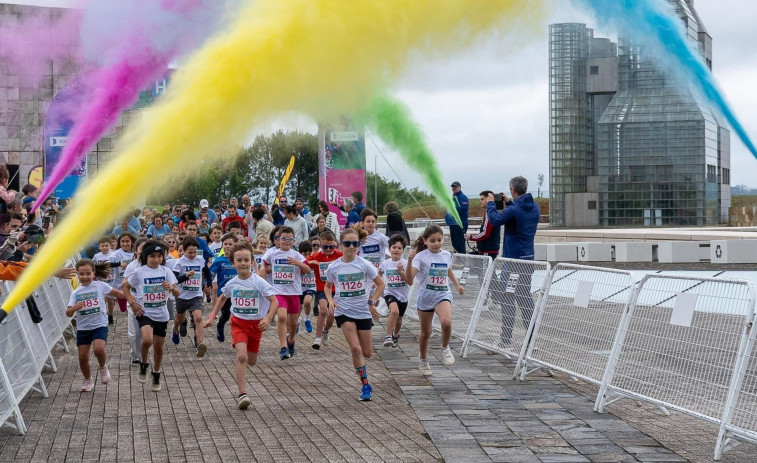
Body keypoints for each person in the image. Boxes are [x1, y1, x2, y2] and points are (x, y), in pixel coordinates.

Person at [203, 241, 278, 409]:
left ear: (252, 261)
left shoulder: (259, 282)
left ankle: (244, 355)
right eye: (239, 260)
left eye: (246, 260)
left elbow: (274, 301)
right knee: (241, 356)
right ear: (233, 262)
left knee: (251, 361)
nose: (243, 263)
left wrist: (268, 318)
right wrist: (212, 317)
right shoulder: (232, 283)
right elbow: (222, 298)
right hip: (238, 324)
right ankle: (242, 394)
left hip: (256, 325)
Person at [324, 228, 384, 401]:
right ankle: (365, 385)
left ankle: (362, 374)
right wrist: (330, 301)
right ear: (341, 245)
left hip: (363, 312)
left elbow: (380, 285)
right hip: (344, 312)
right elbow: (327, 287)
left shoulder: (364, 264)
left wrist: (372, 301)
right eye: (348, 244)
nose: (352, 247)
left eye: (355, 244)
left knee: (367, 353)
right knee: (355, 348)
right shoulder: (334, 266)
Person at [485, 176, 540, 346]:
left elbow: (495, 220)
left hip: (513, 260)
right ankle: (530, 341)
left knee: (507, 298)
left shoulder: (515, 209)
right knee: (525, 299)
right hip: (528, 259)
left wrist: (490, 204)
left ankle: (505, 339)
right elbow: (517, 216)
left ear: (513, 190)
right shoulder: (535, 207)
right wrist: (509, 203)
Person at [406, 225, 464, 376]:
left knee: (447, 322)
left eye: (439, 240)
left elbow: (447, 269)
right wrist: (409, 262)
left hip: (442, 294)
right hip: (425, 297)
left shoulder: (446, 254)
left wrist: (456, 284)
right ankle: (423, 359)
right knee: (426, 332)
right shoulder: (420, 257)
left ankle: (445, 347)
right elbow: (410, 280)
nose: (437, 243)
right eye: (432, 241)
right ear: (425, 241)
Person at [124, 241, 179, 392]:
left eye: (159, 256)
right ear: (145, 257)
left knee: (159, 347)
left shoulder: (166, 271)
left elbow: (177, 293)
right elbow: (125, 287)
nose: (156, 259)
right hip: (144, 312)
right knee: (147, 340)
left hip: (161, 314)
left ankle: (156, 373)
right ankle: (143, 364)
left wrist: (172, 287)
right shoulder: (139, 272)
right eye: (152, 256)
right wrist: (133, 303)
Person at [66, 259, 125, 392]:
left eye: (88, 274)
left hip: (99, 325)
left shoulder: (100, 285)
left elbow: (116, 293)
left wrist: (130, 296)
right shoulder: (76, 292)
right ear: (77, 274)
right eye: (81, 274)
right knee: (82, 357)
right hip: (83, 328)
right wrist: (75, 307)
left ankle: (103, 367)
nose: (85, 277)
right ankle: (88, 380)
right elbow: (68, 313)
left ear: (93, 273)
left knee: (98, 349)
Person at [259, 226, 311, 360]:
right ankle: (283, 347)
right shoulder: (272, 253)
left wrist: (297, 263)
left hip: (294, 292)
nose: (286, 241)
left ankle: (291, 340)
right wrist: (263, 272)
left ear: (294, 241)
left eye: (290, 239)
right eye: (284, 239)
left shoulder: (296, 255)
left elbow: (308, 270)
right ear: (278, 240)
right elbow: (263, 264)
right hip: (279, 291)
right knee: (282, 317)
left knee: (293, 324)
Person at [170, 237, 209, 357]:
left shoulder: (200, 260)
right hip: (182, 296)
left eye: (194, 252)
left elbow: (206, 271)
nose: (192, 255)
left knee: (198, 318)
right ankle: (175, 330)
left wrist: (208, 283)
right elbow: (175, 279)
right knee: (180, 318)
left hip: (196, 295)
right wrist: (186, 276)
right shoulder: (180, 262)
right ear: (184, 251)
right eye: (190, 252)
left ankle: (199, 343)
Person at [306, 230, 342, 350]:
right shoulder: (316, 256)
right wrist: (312, 262)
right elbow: (304, 263)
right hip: (321, 288)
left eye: (331, 246)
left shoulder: (338, 255)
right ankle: (317, 338)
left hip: (335, 289)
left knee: (331, 314)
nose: (328, 249)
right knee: (323, 310)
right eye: (325, 246)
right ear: (321, 245)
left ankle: (326, 330)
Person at [380, 234, 409, 349]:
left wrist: (402, 272)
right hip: (389, 292)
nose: (396, 250)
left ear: (403, 250)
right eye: (394, 247)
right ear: (389, 248)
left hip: (403, 295)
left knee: (399, 319)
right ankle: (388, 336)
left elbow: (409, 280)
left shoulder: (406, 263)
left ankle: (395, 334)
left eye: (399, 248)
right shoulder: (386, 263)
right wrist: (375, 283)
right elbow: (379, 273)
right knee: (394, 312)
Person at [209, 232, 239, 342]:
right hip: (223, 294)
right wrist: (207, 284)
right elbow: (211, 274)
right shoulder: (219, 260)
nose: (227, 246)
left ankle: (238, 336)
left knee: (237, 315)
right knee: (226, 315)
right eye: (225, 244)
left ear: (235, 245)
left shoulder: (239, 259)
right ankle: (220, 326)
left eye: (230, 244)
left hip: (238, 293)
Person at [466, 190, 501, 259]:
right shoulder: (492, 213)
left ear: (488, 199)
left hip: (488, 249)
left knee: (486, 269)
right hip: (490, 248)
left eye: (482, 199)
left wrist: (471, 237)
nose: (480, 201)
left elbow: (485, 233)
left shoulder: (489, 214)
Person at [93, 236, 116, 325]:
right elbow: (93, 266)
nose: (105, 248)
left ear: (110, 246)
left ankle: (110, 315)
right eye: (102, 246)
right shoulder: (96, 256)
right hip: (101, 280)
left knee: (110, 300)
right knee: (101, 299)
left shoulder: (114, 254)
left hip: (111, 280)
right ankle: (102, 316)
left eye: (106, 246)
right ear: (99, 247)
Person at [445, 181, 469, 254]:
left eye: (456, 186)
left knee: (460, 244)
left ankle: (462, 260)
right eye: (453, 187)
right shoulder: (453, 197)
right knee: (455, 244)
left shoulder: (462, 197)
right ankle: (457, 259)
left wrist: (453, 210)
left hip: (459, 224)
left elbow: (464, 208)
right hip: (453, 224)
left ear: (460, 187)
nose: (454, 188)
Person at [298, 241, 316, 333]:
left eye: (309, 254)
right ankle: (297, 321)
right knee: (298, 307)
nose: (307, 256)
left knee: (307, 301)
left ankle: (307, 319)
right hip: (299, 288)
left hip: (310, 286)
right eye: (305, 254)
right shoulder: (298, 261)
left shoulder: (314, 260)